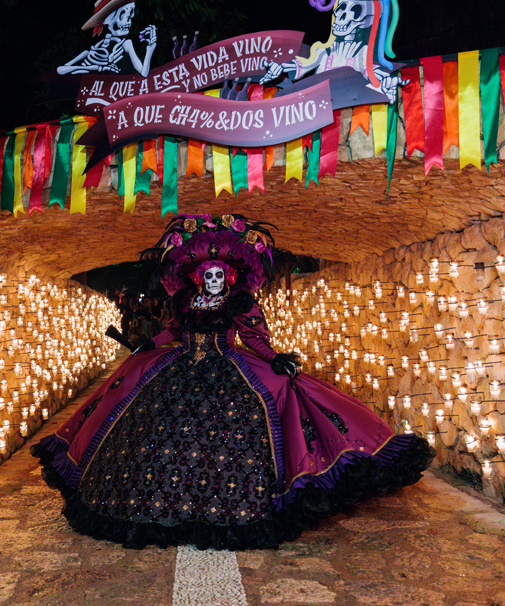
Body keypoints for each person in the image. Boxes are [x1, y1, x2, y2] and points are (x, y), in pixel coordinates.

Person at [32, 214, 434, 550]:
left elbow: (256, 339)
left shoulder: (241, 303)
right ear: (197, 277)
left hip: (229, 368)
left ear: (228, 278)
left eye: (217, 276)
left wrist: (275, 358)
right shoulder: (185, 302)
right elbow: (171, 331)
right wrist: (144, 347)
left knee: (239, 429)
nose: (211, 281)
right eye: (206, 275)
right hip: (178, 367)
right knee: (156, 427)